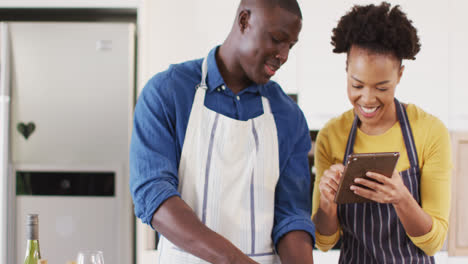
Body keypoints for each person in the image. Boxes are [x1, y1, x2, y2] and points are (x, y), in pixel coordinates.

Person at [130, 0, 315, 263]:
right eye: (277, 39)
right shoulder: (167, 92)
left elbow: (292, 215)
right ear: (244, 21)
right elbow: (154, 195)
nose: (284, 55)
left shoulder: (288, 115)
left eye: (290, 46)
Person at [312, 2, 451, 263]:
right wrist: (328, 202)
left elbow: (434, 242)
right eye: (357, 85)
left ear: (399, 75)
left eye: (382, 87)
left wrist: (401, 199)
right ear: (346, 72)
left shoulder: (430, 131)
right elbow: (324, 240)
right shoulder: (331, 135)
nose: (367, 99)